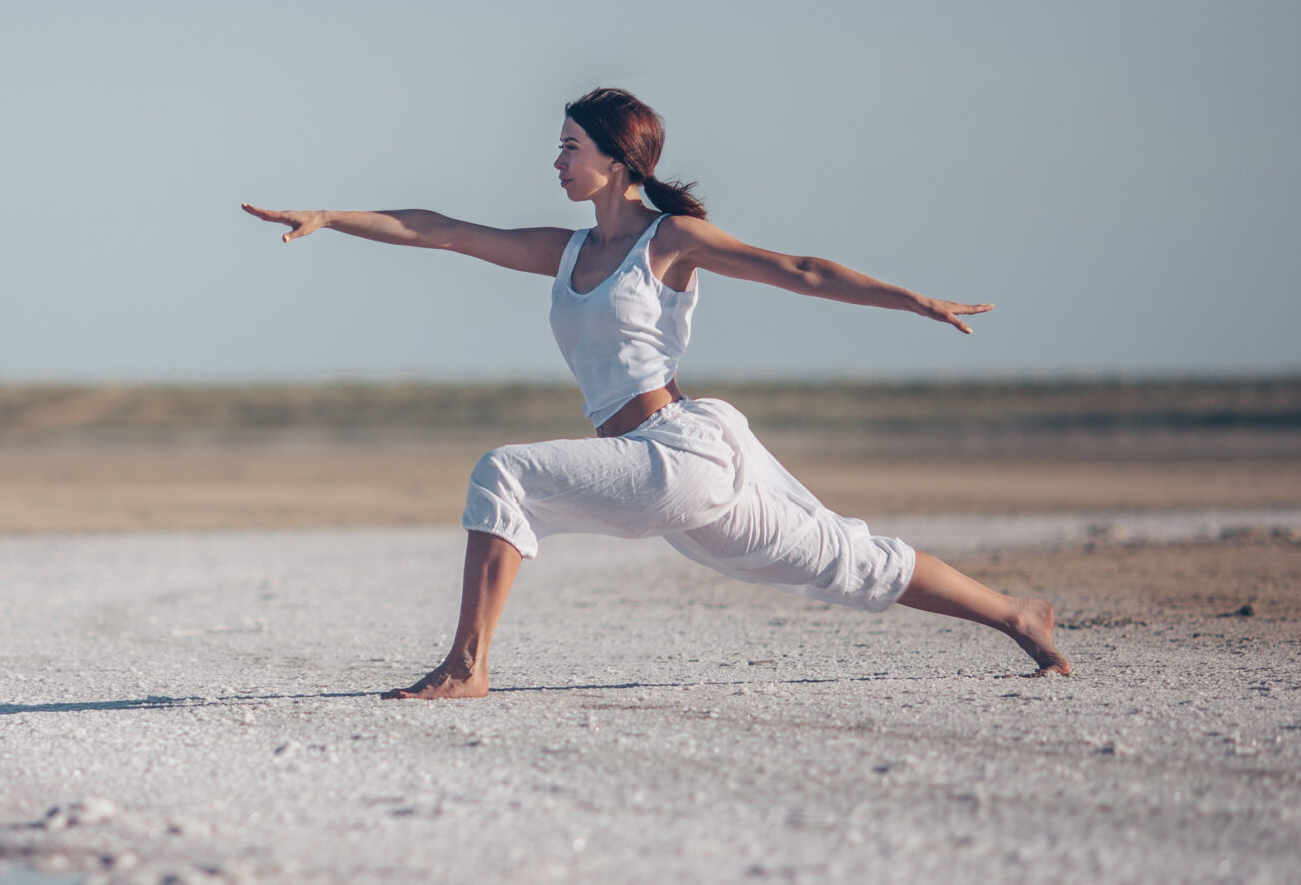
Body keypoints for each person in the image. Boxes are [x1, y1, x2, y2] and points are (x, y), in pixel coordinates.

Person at [242, 86, 1069, 698]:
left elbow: (800, 270)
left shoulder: (668, 241)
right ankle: (1018, 614)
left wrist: (913, 298)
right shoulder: (565, 252)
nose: (556, 159)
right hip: (657, 476)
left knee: (504, 472)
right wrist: (331, 214)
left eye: (569, 146)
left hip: (680, 454)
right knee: (843, 557)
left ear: (616, 159)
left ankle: (467, 667)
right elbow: (442, 229)